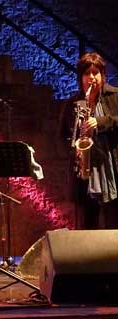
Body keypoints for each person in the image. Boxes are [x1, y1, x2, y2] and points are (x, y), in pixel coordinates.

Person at [60, 52, 118, 230]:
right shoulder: (73, 103)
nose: (91, 78)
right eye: (86, 74)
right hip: (85, 170)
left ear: (103, 75)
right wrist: (74, 151)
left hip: (112, 168)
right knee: (87, 225)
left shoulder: (115, 96)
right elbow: (62, 135)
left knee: (114, 223)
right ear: (80, 77)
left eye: (96, 73)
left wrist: (101, 122)